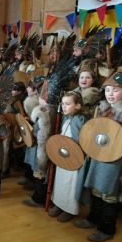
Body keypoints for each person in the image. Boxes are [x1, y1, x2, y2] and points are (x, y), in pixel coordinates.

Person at [73, 71, 122, 242]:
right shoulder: (103, 108)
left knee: (109, 193)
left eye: (115, 90)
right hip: (100, 157)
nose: (110, 94)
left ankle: (107, 228)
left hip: (117, 162)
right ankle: (93, 218)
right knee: (96, 189)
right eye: (108, 90)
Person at [49, 91, 87, 222]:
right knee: (60, 182)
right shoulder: (67, 118)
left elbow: (80, 143)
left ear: (77, 106)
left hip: (73, 159)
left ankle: (69, 209)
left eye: (68, 104)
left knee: (70, 184)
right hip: (63, 156)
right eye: (63, 104)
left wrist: (74, 156)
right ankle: (59, 204)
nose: (64, 106)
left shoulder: (78, 120)